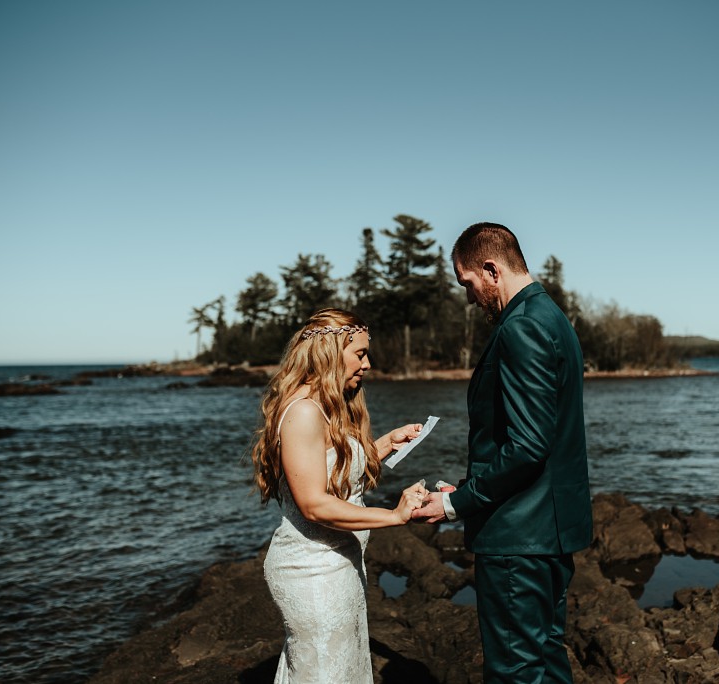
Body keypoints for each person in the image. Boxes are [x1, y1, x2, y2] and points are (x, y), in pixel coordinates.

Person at [410, 222, 593, 683]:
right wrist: (471, 487)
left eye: (468, 283)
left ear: (491, 270)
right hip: (548, 532)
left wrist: (455, 503)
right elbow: (537, 440)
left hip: (518, 539)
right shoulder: (553, 318)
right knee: (545, 660)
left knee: (516, 671)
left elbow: (529, 446)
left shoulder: (523, 327)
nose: (470, 298)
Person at [250, 308, 432, 683]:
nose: (367, 363)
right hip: (312, 571)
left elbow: (335, 473)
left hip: (339, 562)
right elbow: (314, 503)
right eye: (360, 353)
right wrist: (394, 516)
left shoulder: (325, 406)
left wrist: (382, 445)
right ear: (331, 352)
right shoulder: (302, 412)